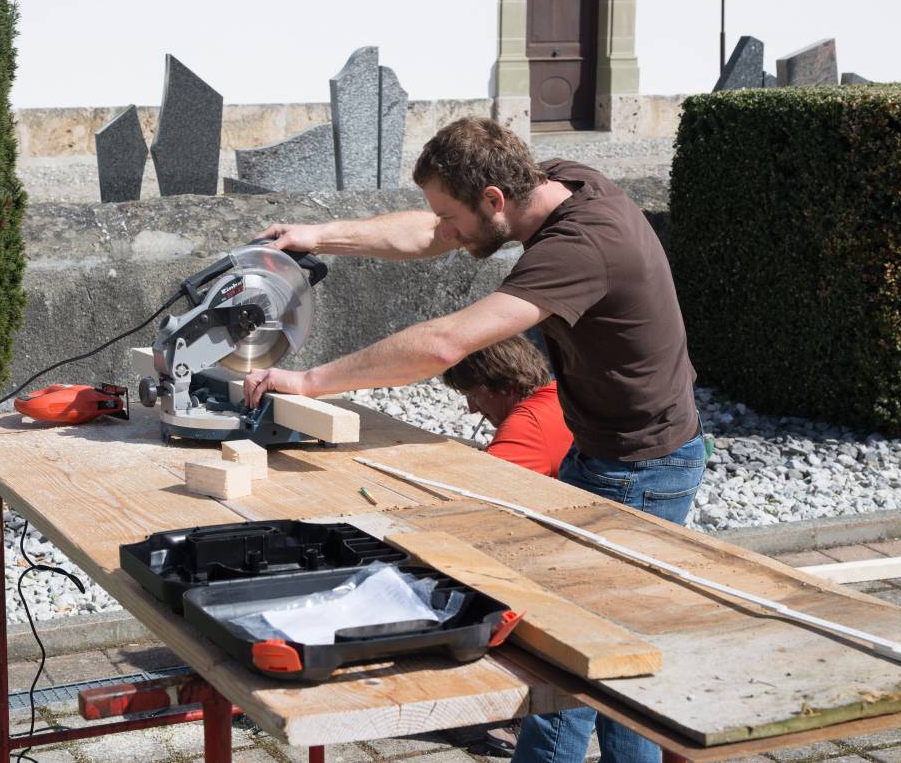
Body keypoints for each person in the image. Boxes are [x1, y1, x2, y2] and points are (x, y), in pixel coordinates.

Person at [244, 116, 705, 763]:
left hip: (638, 468)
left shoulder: (579, 248)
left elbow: (445, 343)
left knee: (574, 662)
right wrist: (318, 236)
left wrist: (310, 381)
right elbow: (430, 231)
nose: (447, 232)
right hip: (616, 449)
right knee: (613, 662)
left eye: (453, 216)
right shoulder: (558, 183)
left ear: (493, 198)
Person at [441, 335, 573, 477]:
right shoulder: (561, 394)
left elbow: (482, 482)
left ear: (507, 386)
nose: (472, 409)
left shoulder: (526, 427)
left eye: (473, 396)